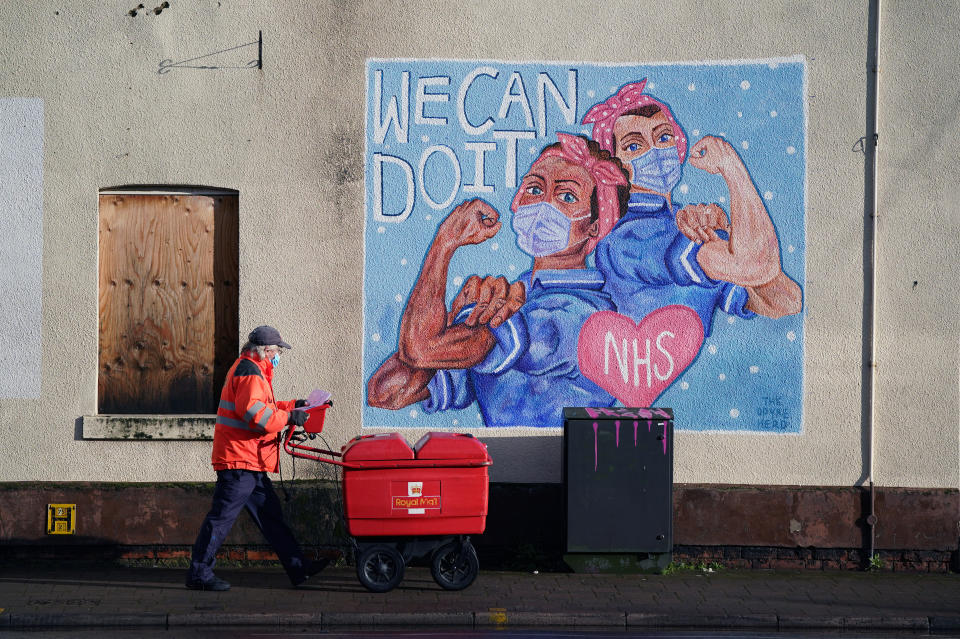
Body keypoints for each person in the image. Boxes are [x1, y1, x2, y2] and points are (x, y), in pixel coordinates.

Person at [366, 133, 630, 427]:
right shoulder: (516, 299)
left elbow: (422, 350)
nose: (544, 205)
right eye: (534, 188)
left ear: (594, 227)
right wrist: (455, 319)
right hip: (498, 466)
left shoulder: (577, 317)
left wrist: (443, 245)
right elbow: (387, 393)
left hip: (562, 466)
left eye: (567, 196)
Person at [582, 79, 801, 333]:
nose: (655, 150)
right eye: (634, 146)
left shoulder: (685, 222)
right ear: (615, 167)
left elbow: (785, 302)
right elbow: (754, 265)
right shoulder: (625, 238)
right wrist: (731, 167)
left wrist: (731, 240)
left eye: (663, 137)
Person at [186, 325, 328, 591]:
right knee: (221, 518)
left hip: (248, 461)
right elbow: (256, 416)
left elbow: (264, 408)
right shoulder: (250, 374)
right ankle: (198, 573)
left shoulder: (253, 369)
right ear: (264, 350)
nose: (278, 356)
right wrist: (288, 417)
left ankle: (299, 568)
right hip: (240, 461)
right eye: (276, 351)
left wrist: (293, 406)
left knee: (272, 518)